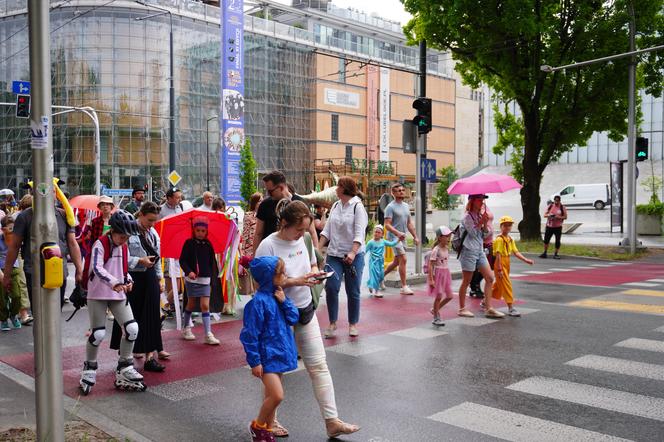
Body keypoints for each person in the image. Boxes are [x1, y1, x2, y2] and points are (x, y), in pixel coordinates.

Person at [255, 200, 359, 438]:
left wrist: (314, 273)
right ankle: (270, 421)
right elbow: (262, 284)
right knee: (275, 369)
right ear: (283, 223)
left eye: (305, 229)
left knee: (319, 366)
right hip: (278, 316)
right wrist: (295, 281)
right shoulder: (267, 246)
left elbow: (311, 263)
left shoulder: (303, 240)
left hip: (304, 308)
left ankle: (332, 421)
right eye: (298, 229)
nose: (302, 234)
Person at [79, 210, 146, 395]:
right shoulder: (100, 244)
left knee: (132, 329)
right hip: (98, 294)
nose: (124, 240)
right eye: (122, 236)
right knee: (98, 333)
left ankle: (125, 366)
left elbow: (122, 269)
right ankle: (89, 368)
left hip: (118, 294)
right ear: (113, 230)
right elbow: (97, 268)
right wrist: (114, 282)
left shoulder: (123, 246)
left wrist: (128, 280)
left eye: (127, 237)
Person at [240, 256, 299, 442]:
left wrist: (284, 302)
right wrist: (255, 361)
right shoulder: (258, 303)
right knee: (277, 395)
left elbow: (293, 318)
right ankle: (257, 427)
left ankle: (266, 427)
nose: (285, 275)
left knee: (271, 396)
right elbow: (249, 335)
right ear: (268, 277)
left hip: (279, 355)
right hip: (267, 358)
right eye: (280, 273)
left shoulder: (278, 294)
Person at [110, 202, 169, 371]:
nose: (152, 224)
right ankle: (126, 357)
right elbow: (119, 257)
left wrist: (159, 278)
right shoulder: (128, 231)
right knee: (130, 317)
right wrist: (139, 261)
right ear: (141, 214)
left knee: (151, 316)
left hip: (149, 277)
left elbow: (157, 256)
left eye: (154, 221)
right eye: (149, 220)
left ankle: (150, 357)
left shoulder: (153, 233)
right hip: (132, 277)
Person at [3, 198, 83, 310]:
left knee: (56, 310)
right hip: (34, 272)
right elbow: (14, 246)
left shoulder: (64, 215)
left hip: (59, 271)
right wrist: (7, 275)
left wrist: (79, 270)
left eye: (53, 190)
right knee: (38, 311)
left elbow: (73, 244)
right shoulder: (25, 216)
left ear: (56, 194)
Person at [319, 177, 368, 338]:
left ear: (345, 188)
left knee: (352, 291)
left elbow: (360, 234)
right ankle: (332, 322)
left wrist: (353, 253)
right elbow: (326, 231)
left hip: (354, 255)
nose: (335, 189)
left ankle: (353, 324)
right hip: (334, 254)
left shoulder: (357, 207)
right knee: (331, 287)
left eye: (338, 186)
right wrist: (318, 249)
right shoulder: (335, 205)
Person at [457, 194, 505, 318]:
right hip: (468, 251)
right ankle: (462, 308)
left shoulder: (479, 215)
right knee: (466, 281)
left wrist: (484, 223)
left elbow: (484, 235)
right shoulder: (467, 217)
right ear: (472, 201)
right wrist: (481, 223)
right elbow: (472, 233)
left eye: (483, 200)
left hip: (479, 250)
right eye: (479, 200)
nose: (482, 202)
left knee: (489, 277)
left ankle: (489, 307)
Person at [252, 170, 318, 254]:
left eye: (270, 191)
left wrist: (315, 255)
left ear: (281, 188)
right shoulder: (265, 204)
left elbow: (311, 232)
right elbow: (258, 233)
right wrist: (255, 257)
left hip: (294, 253)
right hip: (270, 253)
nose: (268, 194)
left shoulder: (300, 203)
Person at [179, 216, 220, 345]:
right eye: (198, 230)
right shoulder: (188, 243)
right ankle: (186, 328)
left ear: (206, 231)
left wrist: (212, 279)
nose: (200, 233)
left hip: (205, 279)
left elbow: (211, 262)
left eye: (203, 231)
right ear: (194, 230)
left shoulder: (208, 245)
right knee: (191, 304)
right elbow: (182, 260)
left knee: (205, 305)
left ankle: (208, 333)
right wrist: (189, 271)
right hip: (192, 280)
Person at [493, 216, 534, 316]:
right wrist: (499, 268)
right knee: (507, 285)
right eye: (505, 225)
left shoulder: (510, 239)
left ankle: (485, 301)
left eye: (509, 225)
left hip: (507, 261)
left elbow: (515, 252)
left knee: (498, 286)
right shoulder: (499, 239)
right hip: (500, 262)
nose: (507, 227)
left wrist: (526, 260)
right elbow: (498, 254)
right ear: (501, 226)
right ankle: (510, 307)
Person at [384, 182, 420, 295]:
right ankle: (404, 287)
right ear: (393, 193)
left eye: (403, 190)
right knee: (403, 259)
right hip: (394, 238)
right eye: (399, 190)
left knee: (396, 262)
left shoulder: (405, 206)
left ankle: (380, 276)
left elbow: (409, 223)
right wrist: (397, 233)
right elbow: (387, 225)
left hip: (402, 237)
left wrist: (415, 236)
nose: (402, 192)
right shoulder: (390, 207)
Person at [0, 216, 30, 330]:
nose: (13, 230)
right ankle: (3, 319)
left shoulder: (16, 239)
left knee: (17, 296)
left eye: (14, 228)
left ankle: (13, 315)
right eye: (10, 228)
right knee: (2, 298)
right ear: (3, 229)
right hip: (2, 271)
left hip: (14, 269)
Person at [160, 188, 184, 316]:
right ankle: (168, 305)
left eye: (180, 197)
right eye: (176, 197)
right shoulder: (161, 210)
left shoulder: (180, 207)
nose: (179, 199)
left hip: (179, 248)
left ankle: (166, 304)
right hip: (167, 250)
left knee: (179, 285)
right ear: (169, 198)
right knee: (171, 281)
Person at [428, 226, 454, 326]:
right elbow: (431, 265)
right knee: (438, 296)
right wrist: (431, 279)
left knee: (450, 296)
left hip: (446, 273)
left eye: (449, 236)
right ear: (439, 237)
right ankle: (436, 317)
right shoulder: (436, 250)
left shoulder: (446, 248)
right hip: (438, 274)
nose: (448, 238)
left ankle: (434, 309)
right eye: (446, 236)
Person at [365, 225, 398, 299]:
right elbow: (365, 251)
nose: (376, 233)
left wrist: (398, 239)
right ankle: (376, 291)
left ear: (382, 234)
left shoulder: (383, 241)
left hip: (380, 262)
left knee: (381, 276)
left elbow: (391, 244)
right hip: (373, 262)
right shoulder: (370, 242)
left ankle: (370, 284)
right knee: (375, 275)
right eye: (375, 232)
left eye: (378, 232)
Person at [240, 192, 262, 296]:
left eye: (262, 201)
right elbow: (245, 234)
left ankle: (257, 293)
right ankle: (253, 293)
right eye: (259, 201)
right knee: (252, 272)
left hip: (261, 247)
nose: (261, 203)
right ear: (255, 203)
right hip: (250, 248)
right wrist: (243, 251)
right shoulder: (248, 216)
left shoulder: (264, 216)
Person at [469, 206, 494, 298]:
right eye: (480, 198)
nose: (482, 199)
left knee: (489, 265)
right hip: (481, 243)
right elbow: (474, 231)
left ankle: (475, 285)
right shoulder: (473, 211)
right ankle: (474, 287)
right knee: (479, 268)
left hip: (489, 242)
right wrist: (483, 222)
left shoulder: (486, 206)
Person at [540, 195, 567, 259]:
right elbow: (544, 215)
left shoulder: (562, 207)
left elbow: (565, 217)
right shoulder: (551, 206)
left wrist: (558, 217)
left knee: (557, 241)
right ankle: (545, 252)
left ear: (560, 201)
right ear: (554, 200)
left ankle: (556, 254)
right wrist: (549, 215)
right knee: (546, 240)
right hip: (549, 226)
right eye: (555, 201)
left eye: (557, 201)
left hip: (558, 227)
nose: (556, 202)